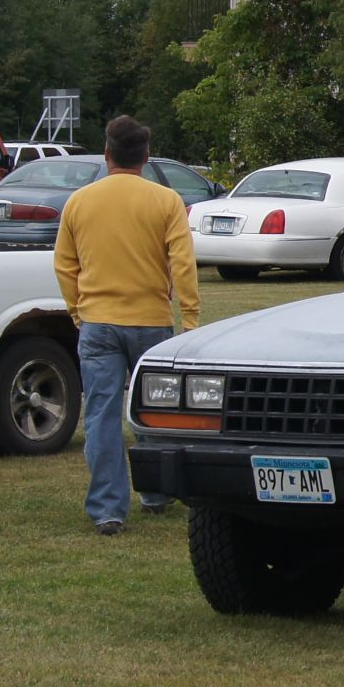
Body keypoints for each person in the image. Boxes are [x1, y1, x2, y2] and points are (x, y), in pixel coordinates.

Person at [53, 116, 200, 535]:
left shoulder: (79, 202)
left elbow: (65, 263)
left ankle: (107, 508)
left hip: (98, 322)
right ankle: (155, 491)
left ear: (107, 153)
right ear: (146, 156)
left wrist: (77, 310)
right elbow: (182, 263)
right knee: (155, 411)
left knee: (101, 414)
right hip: (151, 323)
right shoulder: (166, 201)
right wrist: (189, 317)